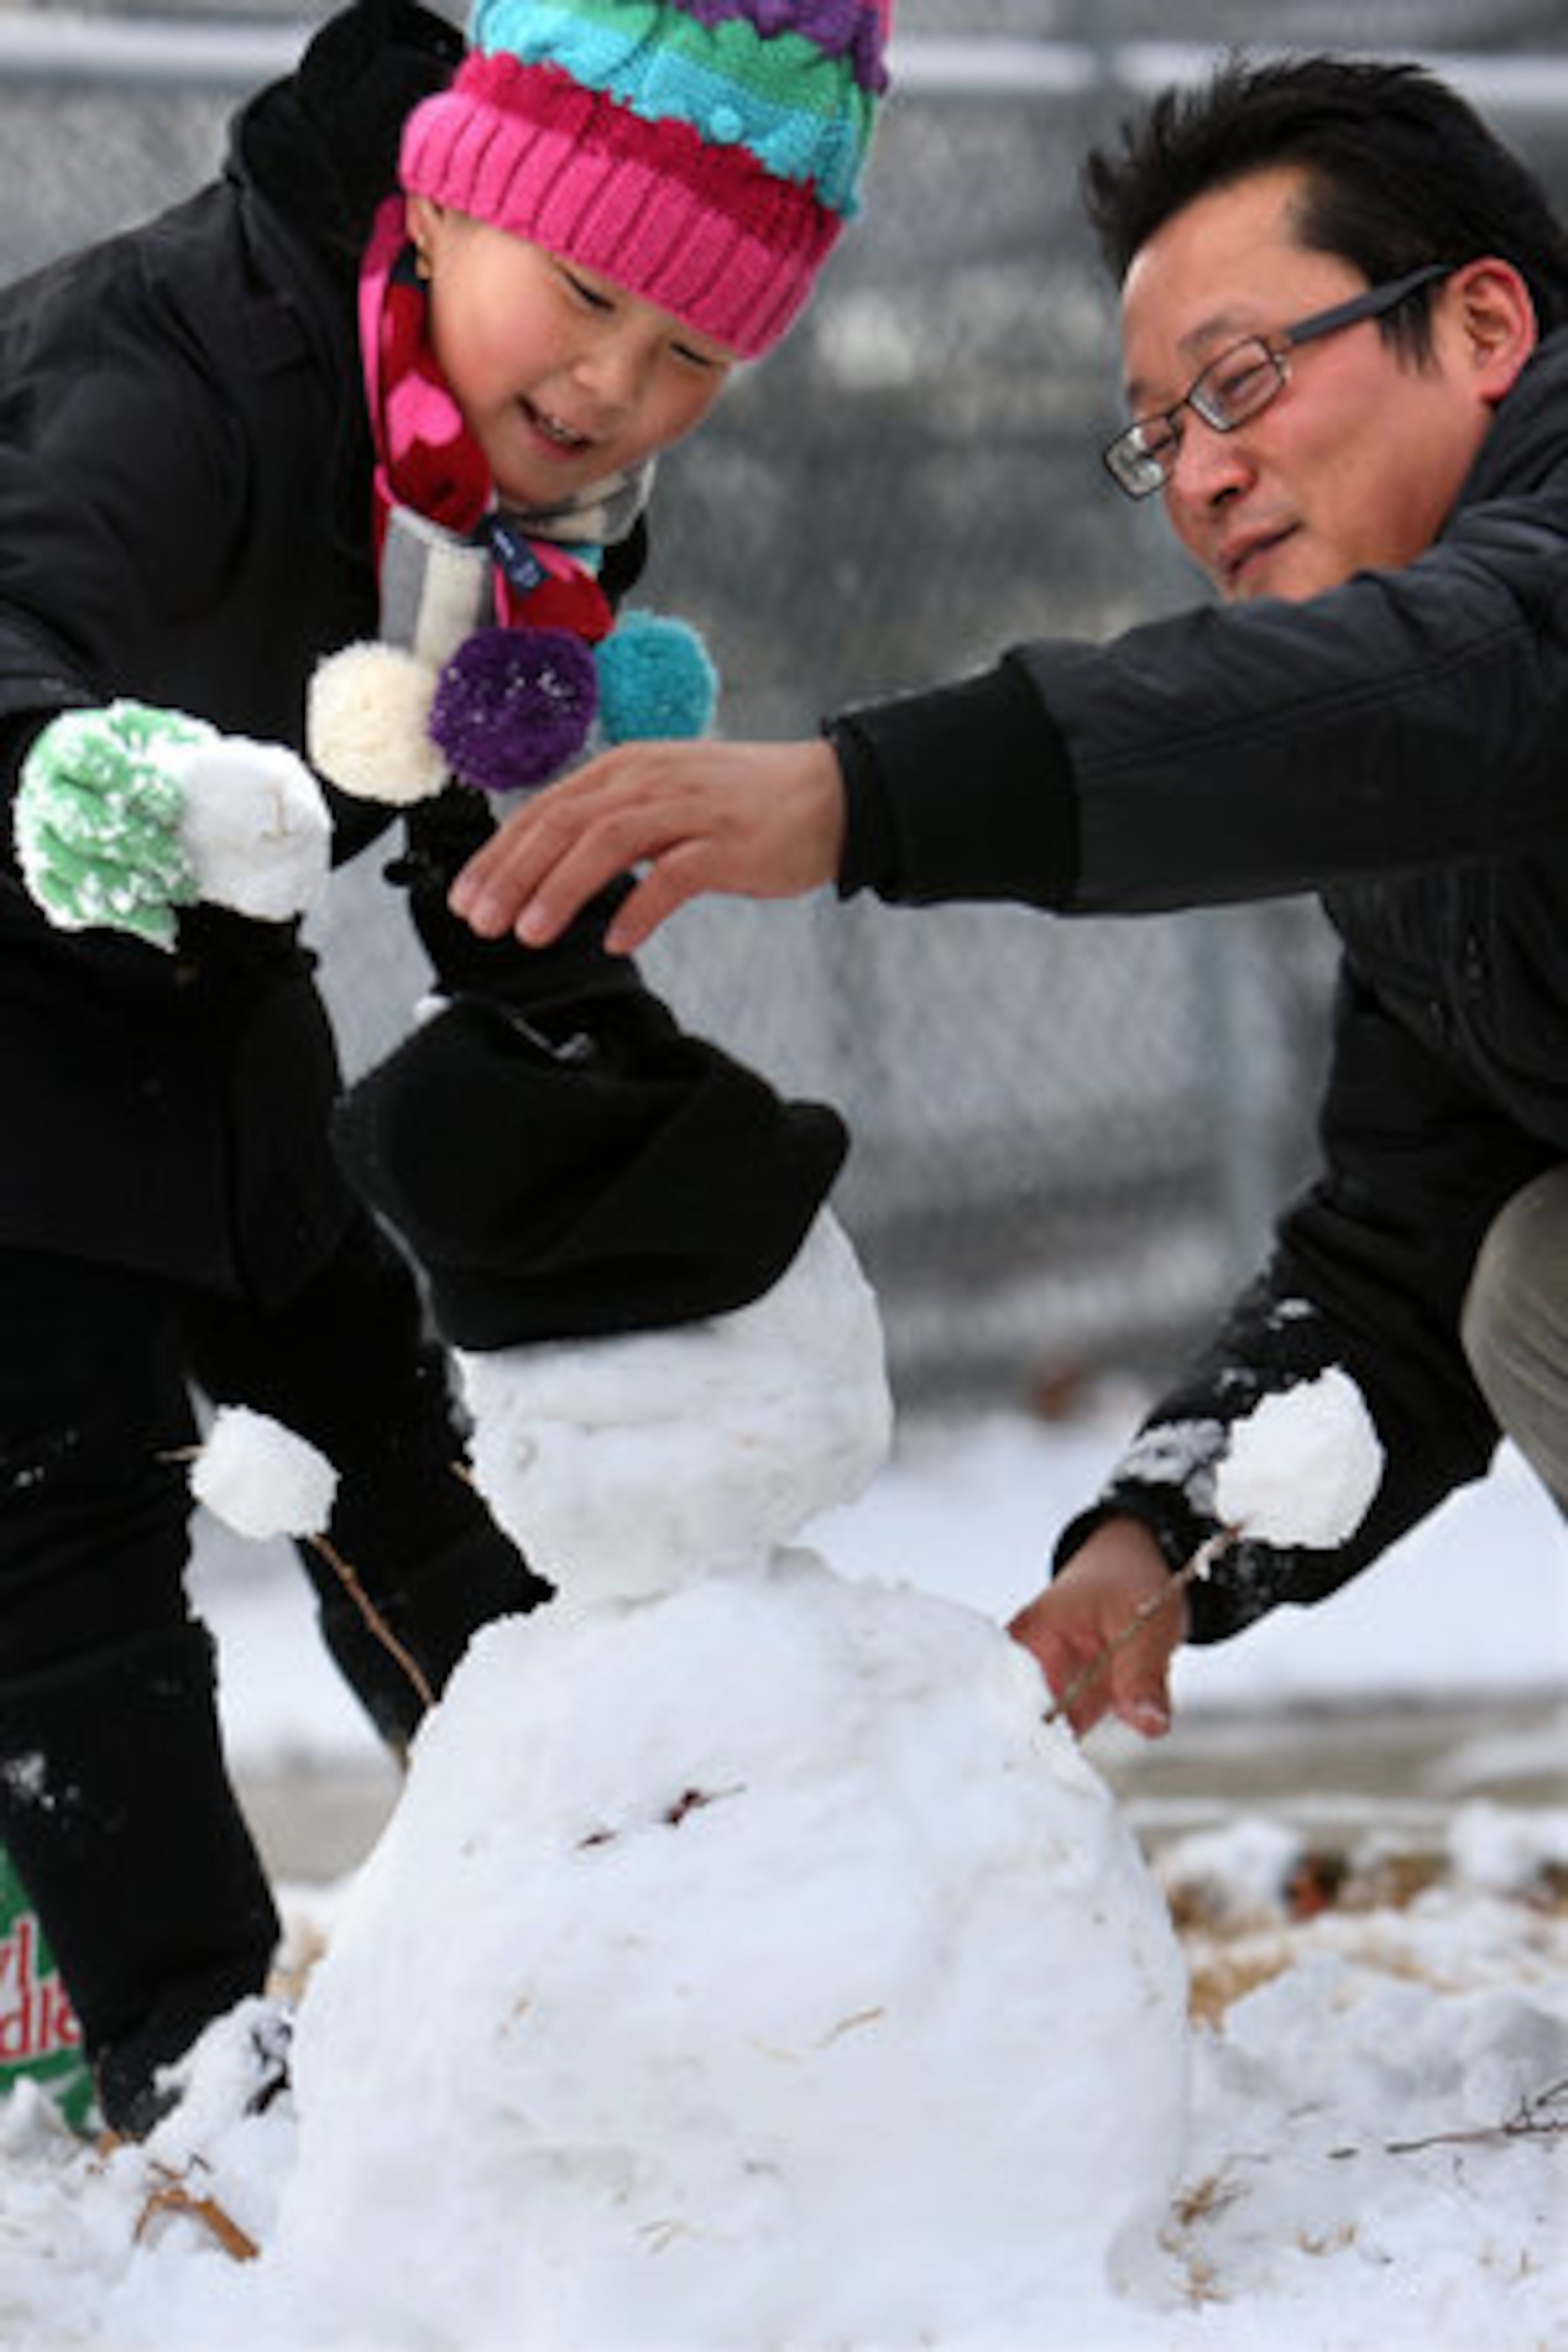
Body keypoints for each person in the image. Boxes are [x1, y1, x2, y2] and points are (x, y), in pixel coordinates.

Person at [0, 0, 889, 2136]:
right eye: (587, 297)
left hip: (203, 1006)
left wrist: (615, 1095)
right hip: (23, 964)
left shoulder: (499, 452)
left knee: (400, 1443)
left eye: (693, 353)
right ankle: (178, 2054)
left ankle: (608, 1898)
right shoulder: (170, 378)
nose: (614, 385)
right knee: (58, 1528)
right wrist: (97, 779)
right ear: (450, 192)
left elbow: (479, 809)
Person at [447, 51, 1568, 1740]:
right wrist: (1158, 1540)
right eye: (1159, 433)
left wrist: (859, 796)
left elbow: (1432, 687)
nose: (1199, 476)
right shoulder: (1439, 802)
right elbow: (1410, 1242)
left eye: (1241, 379)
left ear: (1485, 330)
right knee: (1524, 1268)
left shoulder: (1474, 670)